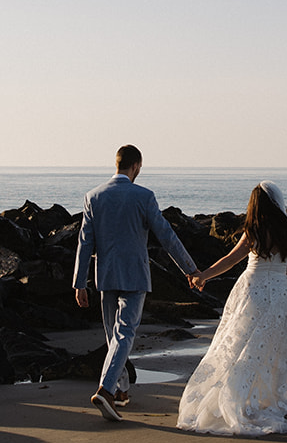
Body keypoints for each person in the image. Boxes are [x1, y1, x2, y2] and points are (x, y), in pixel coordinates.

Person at [176, 181, 287, 436]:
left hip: (251, 288)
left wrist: (203, 276)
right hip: (278, 291)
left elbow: (230, 260)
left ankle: (236, 393)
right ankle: (262, 396)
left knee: (240, 342)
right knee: (270, 345)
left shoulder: (253, 231)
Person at [73, 144, 200, 423]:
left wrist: (79, 283)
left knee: (113, 336)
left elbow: (85, 244)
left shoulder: (93, 197)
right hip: (134, 276)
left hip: (105, 276)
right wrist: (190, 269)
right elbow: (166, 236)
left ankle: (121, 390)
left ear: (116, 164)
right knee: (124, 334)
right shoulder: (144, 196)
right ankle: (106, 391)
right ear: (136, 166)